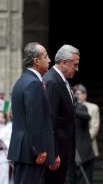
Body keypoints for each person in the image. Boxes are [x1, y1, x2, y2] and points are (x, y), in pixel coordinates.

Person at [7, 42, 55, 184]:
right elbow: (34, 119)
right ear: (36, 61)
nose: (49, 60)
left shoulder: (22, 80)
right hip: (30, 151)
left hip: (23, 149)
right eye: (46, 56)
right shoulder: (33, 83)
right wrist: (39, 149)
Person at [43, 44, 80, 184]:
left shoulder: (61, 80)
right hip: (56, 153)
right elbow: (50, 120)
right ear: (64, 63)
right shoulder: (52, 81)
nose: (76, 69)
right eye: (75, 65)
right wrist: (53, 152)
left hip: (63, 151)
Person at [0, 111, 12, 184]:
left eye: (1, 117)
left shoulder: (8, 128)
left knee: (3, 179)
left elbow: (8, 143)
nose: (0, 119)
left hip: (3, 158)